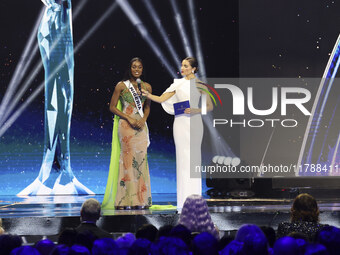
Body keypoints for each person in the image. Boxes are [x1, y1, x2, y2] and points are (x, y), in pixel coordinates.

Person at [142, 57, 213, 209]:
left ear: (193, 68)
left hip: (194, 122)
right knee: (182, 159)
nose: (182, 68)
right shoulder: (178, 83)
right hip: (180, 123)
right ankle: (183, 200)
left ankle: (195, 199)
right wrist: (147, 95)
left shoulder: (200, 84)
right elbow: (162, 99)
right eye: (182, 65)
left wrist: (196, 109)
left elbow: (209, 106)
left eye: (186, 66)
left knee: (193, 159)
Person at [102, 57, 152, 210]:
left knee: (141, 161)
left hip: (140, 127)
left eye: (139, 67)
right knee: (127, 161)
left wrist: (143, 119)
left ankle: (140, 200)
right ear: (129, 68)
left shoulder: (147, 87)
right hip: (126, 126)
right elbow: (112, 107)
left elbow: (148, 107)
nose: (137, 70)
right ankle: (124, 200)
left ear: (142, 69)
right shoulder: (121, 85)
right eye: (134, 67)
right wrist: (128, 118)